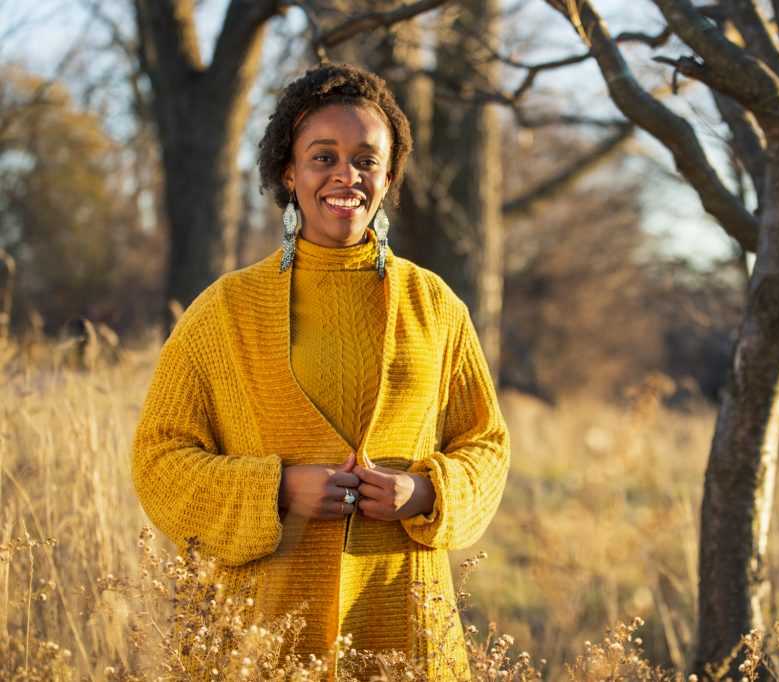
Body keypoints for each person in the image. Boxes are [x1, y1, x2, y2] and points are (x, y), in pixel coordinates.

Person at [132, 63, 510, 677]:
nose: (346, 175)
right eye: (323, 156)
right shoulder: (224, 309)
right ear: (289, 171)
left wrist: (426, 492)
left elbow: (486, 443)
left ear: (387, 177)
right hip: (262, 628)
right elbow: (158, 457)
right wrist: (276, 489)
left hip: (405, 622)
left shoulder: (435, 304)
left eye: (366, 160)